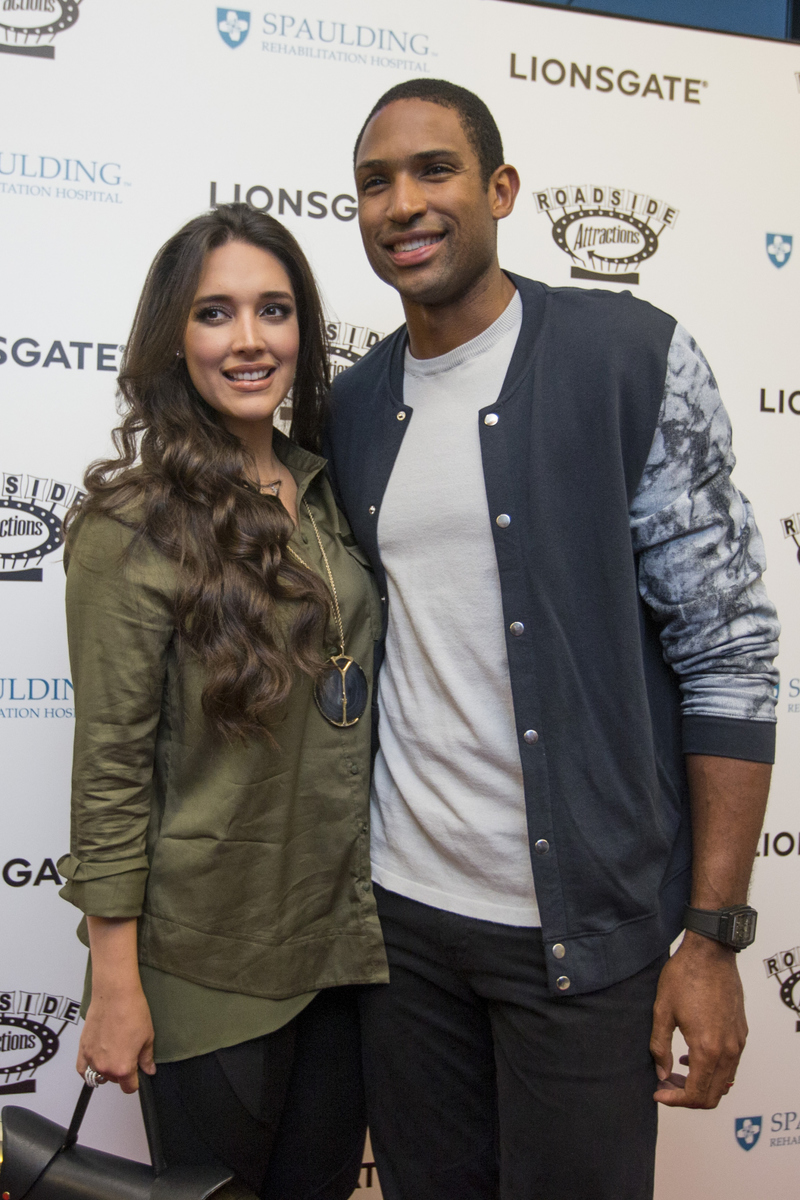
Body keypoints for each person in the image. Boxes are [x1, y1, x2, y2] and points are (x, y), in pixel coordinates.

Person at [325, 79, 780, 1200]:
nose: (403, 203)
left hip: (579, 938)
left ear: (499, 189)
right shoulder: (349, 403)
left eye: (433, 170)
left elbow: (728, 650)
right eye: (375, 181)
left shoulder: (627, 358)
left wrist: (711, 939)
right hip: (405, 927)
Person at [57, 202, 387, 1200]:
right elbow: (110, 767)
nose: (249, 339)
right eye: (215, 314)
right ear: (173, 338)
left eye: (273, 310)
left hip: (344, 949)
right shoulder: (131, 525)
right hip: (208, 963)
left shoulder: (327, 489)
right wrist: (115, 987)